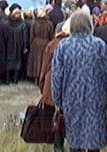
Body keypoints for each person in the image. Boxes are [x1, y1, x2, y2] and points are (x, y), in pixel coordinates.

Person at [52, 11, 107, 152]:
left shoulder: (63, 47)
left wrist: (57, 100)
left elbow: (57, 76)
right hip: (96, 99)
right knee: (94, 139)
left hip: (71, 99)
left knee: (75, 139)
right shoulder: (99, 45)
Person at [39, 17, 72, 152]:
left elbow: (44, 68)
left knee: (57, 116)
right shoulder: (75, 45)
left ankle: (58, 147)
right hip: (70, 86)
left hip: (52, 84)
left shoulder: (52, 45)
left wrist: (42, 86)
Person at [27, 9, 53, 82]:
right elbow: (51, 35)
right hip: (46, 43)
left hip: (36, 43)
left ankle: (35, 77)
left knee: (36, 60)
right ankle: (42, 77)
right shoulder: (49, 23)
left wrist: (31, 43)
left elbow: (32, 35)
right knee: (43, 61)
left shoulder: (34, 23)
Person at [6, 8, 28, 84]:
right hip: (18, 45)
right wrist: (24, 46)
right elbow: (25, 36)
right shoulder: (22, 23)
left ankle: (7, 79)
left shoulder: (7, 23)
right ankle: (15, 79)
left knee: (9, 62)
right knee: (17, 62)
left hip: (9, 45)